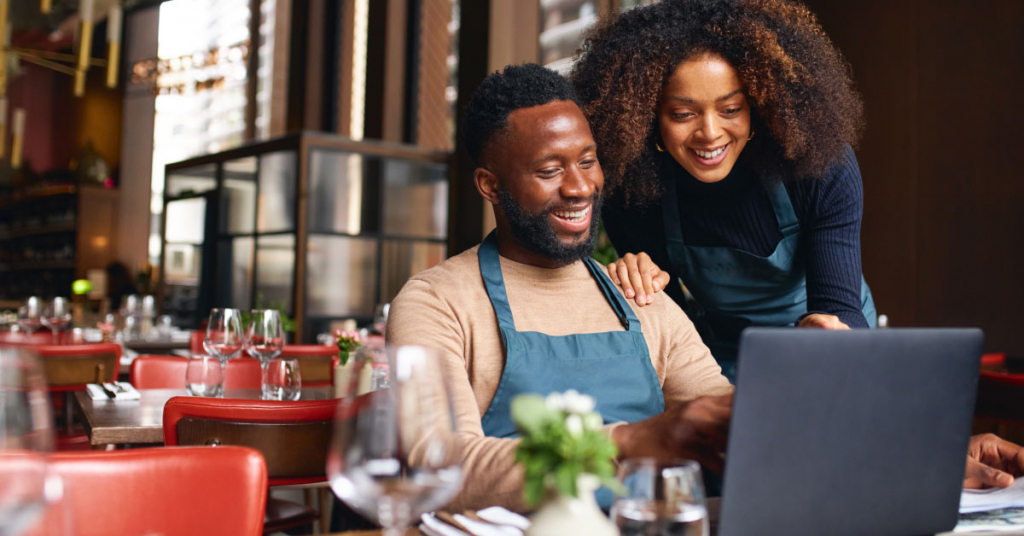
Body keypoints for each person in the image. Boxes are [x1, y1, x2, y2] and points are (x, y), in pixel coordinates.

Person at [387, 63, 1024, 512]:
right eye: (550, 171)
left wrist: (923, 455)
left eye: (587, 161)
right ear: (489, 185)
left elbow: (754, 431)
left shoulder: (640, 298)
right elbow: (439, 463)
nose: (580, 188)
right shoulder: (437, 301)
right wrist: (636, 441)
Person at [570, 0, 875, 380]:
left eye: (731, 109)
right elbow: (673, 330)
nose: (710, 133)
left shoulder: (819, 166)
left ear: (760, 107)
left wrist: (828, 332)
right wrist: (639, 285)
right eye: (683, 114)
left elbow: (842, 309)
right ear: (648, 116)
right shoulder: (634, 191)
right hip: (722, 354)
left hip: (827, 348)